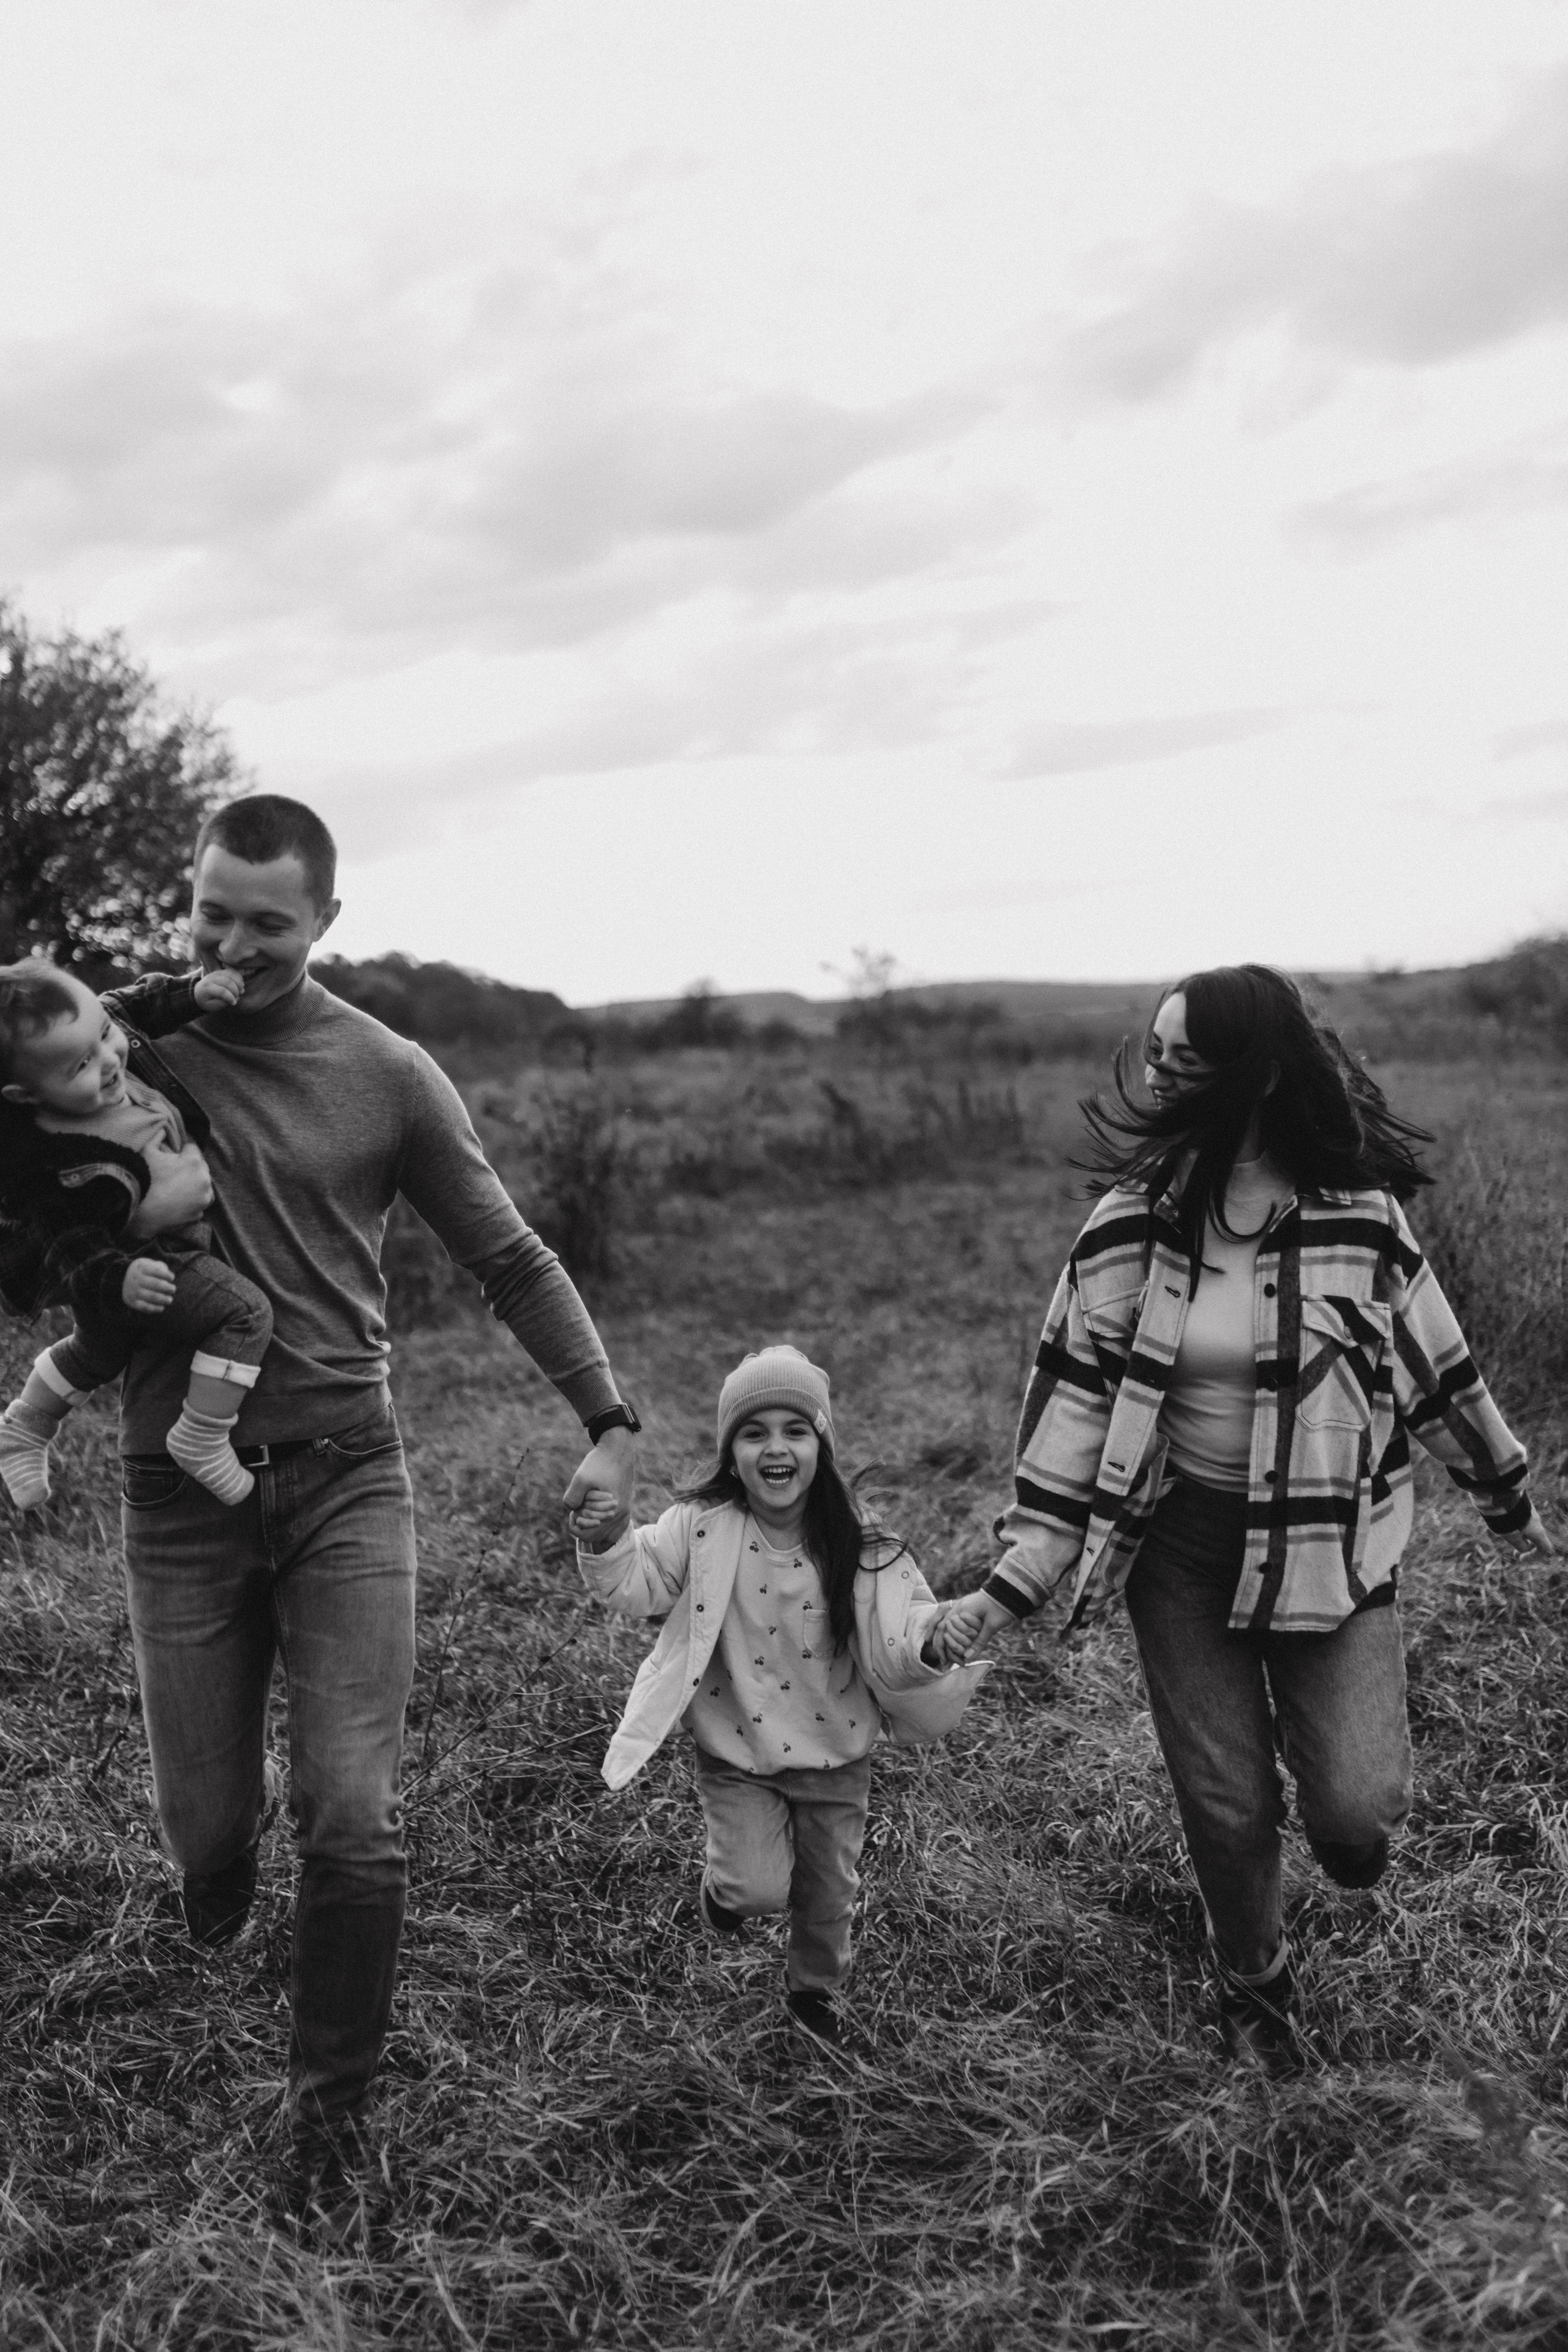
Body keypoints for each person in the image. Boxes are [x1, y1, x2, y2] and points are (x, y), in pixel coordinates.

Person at [108, 793, 640, 2231]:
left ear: (326, 923)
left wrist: (604, 1419)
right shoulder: (129, 1044)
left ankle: (325, 2111)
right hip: (176, 1484)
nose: (230, 942)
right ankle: (213, 1886)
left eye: (265, 923)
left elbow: (510, 1256)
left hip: (348, 1471)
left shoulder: (387, 1072)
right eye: (210, 912)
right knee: (207, 1830)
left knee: (351, 1810)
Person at [945, 965, 1553, 2065]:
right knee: (1228, 1803)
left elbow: (1442, 1375)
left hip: (1331, 1546)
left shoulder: (1360, 1223)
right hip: (1181, 1551)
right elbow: (1071, 1412)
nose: (1161, 1069)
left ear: (1259, 1075)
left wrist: (1508, 1492)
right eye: (1157, 1048)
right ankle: (1255, 1983)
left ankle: (1335, 1813)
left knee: (1358, 1821)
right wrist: (1011, 1582)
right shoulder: (1126, 1227)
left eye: (1188, 1056)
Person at [569, 1344, 988, 2048]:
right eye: (753, 1432)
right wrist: (609, 1536)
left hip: (835, 1753)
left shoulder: (861, 1540)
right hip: (736, 1751)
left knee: (828, 1894)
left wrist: (935, 1640)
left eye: (795, 1431)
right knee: (755, 1891)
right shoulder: (699, 1527)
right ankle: (723, 1893)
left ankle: (814, 1996)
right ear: (730, 1452)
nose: (776, 1448)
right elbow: (634, 1582)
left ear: (820, 1445)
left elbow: (906, 1620)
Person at [0, 961, 274, 1510]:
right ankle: (201, 1433)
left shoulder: (107, 1029)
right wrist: (120, 1274)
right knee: (244, 1314)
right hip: (143, 1260)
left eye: (103, 1034)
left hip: (136, 1264)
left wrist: (194, 993)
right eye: (81, 1064)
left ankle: (23, 1426)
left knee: (99, 1348)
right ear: (26, 1097)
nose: (109, 1060)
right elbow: (67, 1240)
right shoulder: (52, 1158)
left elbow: (137, 1007)